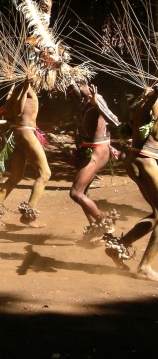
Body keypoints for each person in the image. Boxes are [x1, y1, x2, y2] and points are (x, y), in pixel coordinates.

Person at [104, 86, 158, 281]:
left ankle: (121, 245)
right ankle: (144, 267)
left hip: (139, 159)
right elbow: (154, 130)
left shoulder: (146, 100)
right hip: (145, 160)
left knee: (157, 214)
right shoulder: (152, 102)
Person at [0, 79, 51, 228]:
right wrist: (25, 88)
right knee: (45, 174)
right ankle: (29, 215)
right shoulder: (24, 87)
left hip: (19, 133)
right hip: (26, 133)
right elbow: (18, 110)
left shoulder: (21, 88)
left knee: (16, 176)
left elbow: (12, 109)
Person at [68, 83, 121, 242]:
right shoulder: (82, 103)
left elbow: (115, 120)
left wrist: (96, 102)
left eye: (74, 87)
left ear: (85, 86)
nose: (69, 91)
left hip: (99, 151)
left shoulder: (96, 98)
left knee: (75, 192)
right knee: (83, 193)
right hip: (90, 150)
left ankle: (103, 223)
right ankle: (97, 230)